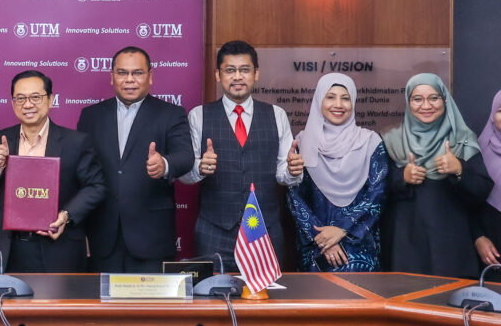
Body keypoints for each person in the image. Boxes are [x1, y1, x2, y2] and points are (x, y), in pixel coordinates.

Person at [179, 40, 303, 267]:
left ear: (256, 74)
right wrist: (199, 168)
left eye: (244, 70)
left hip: (263, 231)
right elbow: (185, 175)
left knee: (265, 300)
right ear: (218, 75)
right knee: (212, 298)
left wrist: (293, 172)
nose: (237, 77)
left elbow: (282, 174)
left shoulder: (276, 115)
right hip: (214, 233)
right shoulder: (198, 115)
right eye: (230, 70)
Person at [77, 46, 192, 272]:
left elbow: (186, 156)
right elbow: (82, 173)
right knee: (102, 306)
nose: (130, 80)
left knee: (149, 307)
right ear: (112, 77)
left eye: (137, 73)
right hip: (102, 236)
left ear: (150, 76)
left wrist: (164, 164)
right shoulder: (90, 116)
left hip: (151, 237)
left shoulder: (171, 114)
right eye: (122, 73)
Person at [0, 71, 105, 272]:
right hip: (12, 248)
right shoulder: (1, 140)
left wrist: (66, 215)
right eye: (20, 98)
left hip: (59, 247)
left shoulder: (76, 142)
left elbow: (96, 187)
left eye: (35, 97)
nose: (28, 105)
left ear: (51, 99)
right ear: (13, 103)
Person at [381, 73, 494, 278]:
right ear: (408, 102)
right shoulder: (390, 139)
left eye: (434, 97)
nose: (426, 105)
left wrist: (459, 169)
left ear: (445, 99)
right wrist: (401, 177)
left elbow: (482, 190)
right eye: (417, 99)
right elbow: (374, 190)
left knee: (446, 304)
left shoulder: (463, 140)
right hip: (405, 245)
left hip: (450, 246)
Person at [286, 73, 387, 272]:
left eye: (345, 98)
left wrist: (342, 229)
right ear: (319, 101)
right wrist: (324, 239)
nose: (338, 104)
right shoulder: (303, 143)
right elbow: (294, 197)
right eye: (330, 97)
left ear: (354, 102)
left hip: (359, 247)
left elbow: (377, 194)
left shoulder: (370, 142)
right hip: (316, 248)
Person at [473, 89, 501, 275]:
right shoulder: (477, 152)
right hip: (491, 250)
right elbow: (465, 203)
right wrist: (478, 238)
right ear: (493, 115)